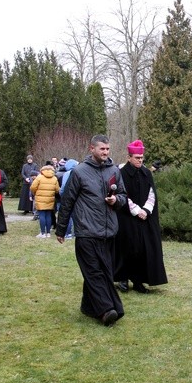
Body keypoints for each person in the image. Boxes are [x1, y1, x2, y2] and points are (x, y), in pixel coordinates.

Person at [55, 135, 127, 326]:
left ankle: (88, 307)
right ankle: (107, 310)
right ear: (92, 149)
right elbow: (67, 201)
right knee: (94, 272)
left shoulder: (114, 171)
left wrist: (116, 200)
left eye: (107, 149)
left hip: (108, 232)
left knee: (104, 271)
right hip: (87, 231)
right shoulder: (79, 172)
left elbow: (123, 196)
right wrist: (61, 229)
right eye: (102, 149)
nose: (105, 152)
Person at [114, 139, 168, 294]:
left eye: (142, 157)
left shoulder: (146, 173)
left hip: (145, 218)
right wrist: (137, 210)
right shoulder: (121, 173)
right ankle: (123, 278)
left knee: (143, 249)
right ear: (129, 157)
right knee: (126, 247)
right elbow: (122, 194)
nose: (140, 160)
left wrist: (146, 210)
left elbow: (152, 193)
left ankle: (139, 280)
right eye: (137, 157)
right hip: (127, 217)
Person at [30, 164, 60, 238]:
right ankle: (48, 233)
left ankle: (43, 233)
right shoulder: (54, 178)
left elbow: (32, 187)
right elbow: (57, 190)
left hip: (40, 199)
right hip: (50, 199)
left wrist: (35, 193)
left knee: (42, 215)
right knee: (48, 215)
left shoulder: (39, 177)